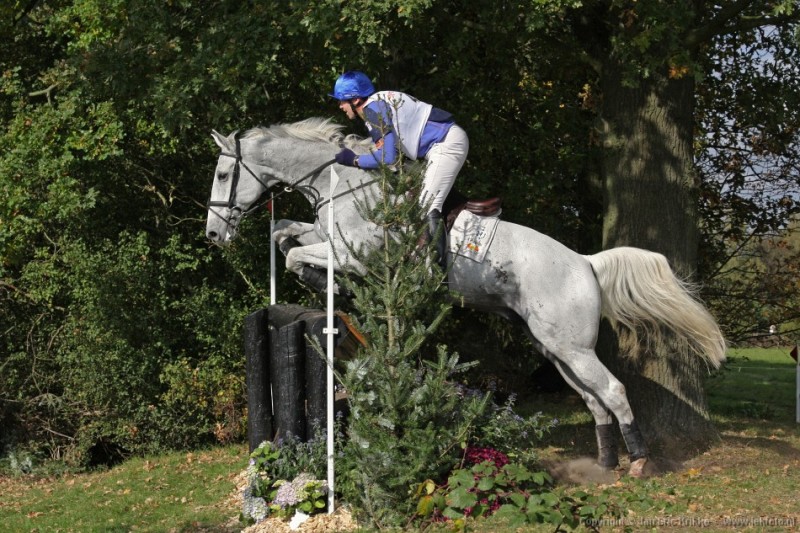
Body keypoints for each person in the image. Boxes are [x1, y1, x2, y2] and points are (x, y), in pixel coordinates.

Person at [329, 71, 469, 269]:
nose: (340, 106)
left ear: (356, 99)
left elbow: (388, 158)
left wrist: (355, 160)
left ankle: (439, 275)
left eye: (342, 101)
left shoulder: (372, 109)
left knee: (428, 205)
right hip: (437, 147)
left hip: (445, 144)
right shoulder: (376, 104)